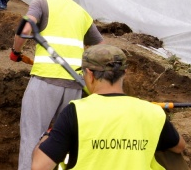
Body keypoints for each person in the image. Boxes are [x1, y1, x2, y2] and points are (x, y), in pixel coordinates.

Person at [31, 44, 186, 170]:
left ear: (90, 74)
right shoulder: (153, 112)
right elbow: (179, 147)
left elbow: (40, 166)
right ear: (124, 72)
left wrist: (45, 137)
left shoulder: (75, 112)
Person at [10, 0, 103, 170]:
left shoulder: (41, 3)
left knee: (32, 138)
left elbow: (25, 30)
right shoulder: (82, 14)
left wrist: (15, 51)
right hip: (74, 85)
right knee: (67, 142)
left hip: (44, 81)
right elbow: (101, 49)